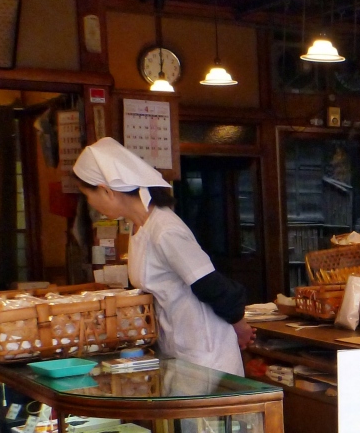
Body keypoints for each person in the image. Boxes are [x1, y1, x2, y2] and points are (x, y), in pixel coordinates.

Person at [72, 138, 253, 375]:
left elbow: (210, 284)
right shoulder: (138, 227)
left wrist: (239, 324)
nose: (90, 204)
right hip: (177, 347)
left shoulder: (165, 229)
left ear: (106, 191)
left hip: (205, 353)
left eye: (88, 196)